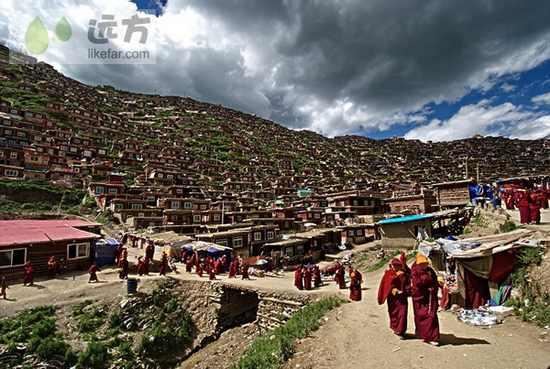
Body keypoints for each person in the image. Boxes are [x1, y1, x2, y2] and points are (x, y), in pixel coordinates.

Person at [377, 253, 410, 338]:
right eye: (394, 266)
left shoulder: (403, 273)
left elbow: (408, 281)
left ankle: (401, 331)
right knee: (394, 313)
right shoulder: (388, 273)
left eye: (398, 266)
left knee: (403, 313)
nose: (396, 267)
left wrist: (406, 290)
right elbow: (387, 285)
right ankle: (396, 328)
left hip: (402, 298)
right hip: (393, 299)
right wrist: (394, 290)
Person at [411, 253, 440, 346]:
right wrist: (426, 287)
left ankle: (433, 337)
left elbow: (435, 281)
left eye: (425, 264)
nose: (424, 265)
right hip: (419, 298)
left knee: (431, 316)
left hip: (430, 298)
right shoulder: (415, 271)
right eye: (422, 264)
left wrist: (434, 288)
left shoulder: (430, 271)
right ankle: (423, 334)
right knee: (420, 316)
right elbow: (416, 284)